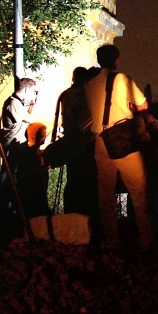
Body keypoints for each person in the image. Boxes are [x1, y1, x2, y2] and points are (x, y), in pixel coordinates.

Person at [84, 44, 154, 252]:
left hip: (99, 140)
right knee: (139, 191)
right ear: (116, 60)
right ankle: (146, 240)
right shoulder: (122, 79)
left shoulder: (89, 84)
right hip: (122, 139)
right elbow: (143, 105)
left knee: (105, 193)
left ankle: (112, 240)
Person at [54, 66, 98, 219]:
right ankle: (83, 217)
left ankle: (71, 215)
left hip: (71, 143)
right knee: (84, 182)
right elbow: (84, 122)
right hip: (84, 145)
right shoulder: (82, 95)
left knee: (73, 180)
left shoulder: (66, 95)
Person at [0, 77, 39, 211]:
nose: (33, 94)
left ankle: (9, 207)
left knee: (12, 176)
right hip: (12, 146)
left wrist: (31, 104)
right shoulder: (13, 103)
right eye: (32, 91)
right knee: (9, 177)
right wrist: (33, 104)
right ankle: (5, 209)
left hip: (16, 145)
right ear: (27, 89)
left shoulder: (16, 103)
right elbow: (30, 119)